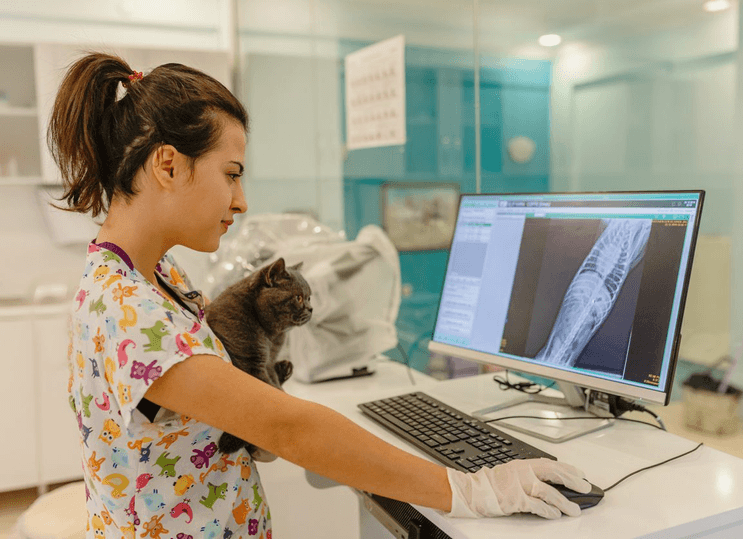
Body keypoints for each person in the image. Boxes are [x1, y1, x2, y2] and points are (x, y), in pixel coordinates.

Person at [52, 52, 592, 538]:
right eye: (232, 174)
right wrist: (471, 490)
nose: (240, 201)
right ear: (168, 165)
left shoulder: (156, 273)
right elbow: (290, 428)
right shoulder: (126, 311)